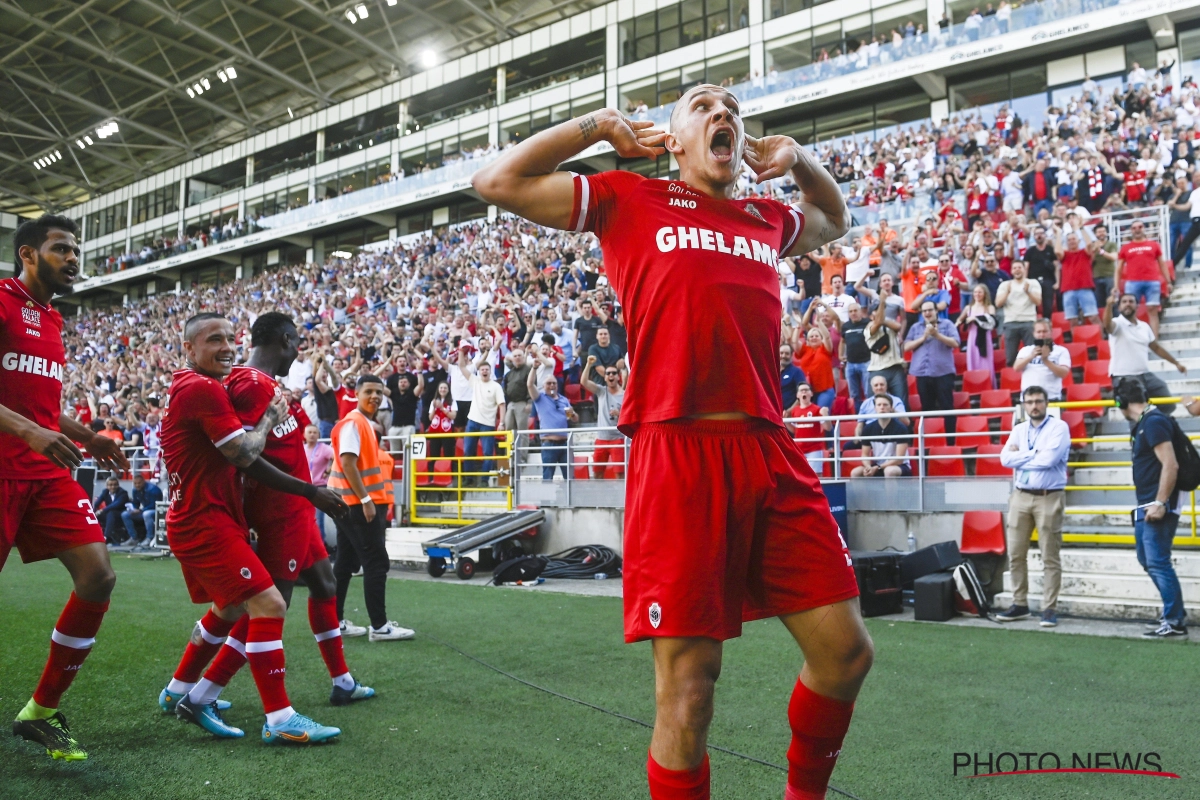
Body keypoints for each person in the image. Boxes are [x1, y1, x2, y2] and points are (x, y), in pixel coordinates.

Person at [471, 85, 871, 800]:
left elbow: (835, 218)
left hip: (769, 451)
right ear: (674, 142)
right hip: (676, 455)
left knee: (845, 655)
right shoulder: (629, 199)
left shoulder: (764, 217)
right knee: (689, 694)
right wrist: (599, 128)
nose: (722, 112)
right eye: (702, 105)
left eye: (732, 107)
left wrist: (802, 159)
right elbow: (496, 182)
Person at [175, 313, 373, 735]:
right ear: (285, 340)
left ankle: (342, 682)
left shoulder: (262, 383)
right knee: (265, 607)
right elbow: (245, 458)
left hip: (295, 507)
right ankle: (202, 695)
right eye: (296, 343)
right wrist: (306, 491)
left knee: (324, 584)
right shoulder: (246, 384)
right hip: (279, 511)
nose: (298, 351)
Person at [3, 215, 129, 761]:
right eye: (61, 249)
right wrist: (32, 432)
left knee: (98, 576)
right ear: (28, 254)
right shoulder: (2, 300)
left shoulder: (52, 320)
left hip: (43, 469)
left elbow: (44, 409)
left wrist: (89, 437)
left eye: (76, 249)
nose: (74, 258)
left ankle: (42, 710)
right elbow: (31, 420)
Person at [328, 375, 414, 642]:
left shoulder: (360, 422)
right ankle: (379, 626)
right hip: (358, 504)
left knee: (344, 563)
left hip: (347, 503)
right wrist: (366, 501)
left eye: (379, 392)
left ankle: (335, 622)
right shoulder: (355, 423)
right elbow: (348, 463)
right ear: (357, 393)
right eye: (369, 391)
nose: (375, 396)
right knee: (375, 562)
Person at [1117, 381, 1188, 638]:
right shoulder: (1146, 423)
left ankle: (1175, 619)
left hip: (1160, 501)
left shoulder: (1154, 421)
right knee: (1147, 559)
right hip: (1147, 501)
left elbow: (1171, 465)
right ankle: (1173, 613)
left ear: (1119, 403)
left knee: (1157, 561)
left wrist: (1160, 503)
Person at [995, 386, 1071, 627]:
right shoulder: (1019, 429)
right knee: (1016, 554)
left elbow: (1049, 460)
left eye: (1038, 401)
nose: (1034, 406)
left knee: (1050, 555)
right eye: (1029, 402)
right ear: (1023, 405)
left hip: (1050, 496)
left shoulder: (1059, 427)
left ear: (1047, 403)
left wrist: (1023, 455)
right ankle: (1020, 604)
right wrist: (1035, 452)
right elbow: (1005, 459)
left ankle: (1049, 608)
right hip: (1020, 496)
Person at [1103, 290, 1187, 415]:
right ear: (1119, 306)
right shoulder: (1118, 323)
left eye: (1131, 301)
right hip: (1124, 377)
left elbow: (1156, 348)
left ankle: (1156, 424)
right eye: (1124, 302)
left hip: (1145, 375)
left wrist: (1176, 363)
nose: (1127, 304)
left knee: (1168, 404)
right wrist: (1109, 305)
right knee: (1135, 415)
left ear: (1137, 306)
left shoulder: (1144, 326)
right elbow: (1107, 325)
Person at [905, 299, 961, 439]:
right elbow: (906, 347)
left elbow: (956, 343)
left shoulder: (947, 324)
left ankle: (950, 441)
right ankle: (930, 441)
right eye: (924, 311)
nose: (927, 313)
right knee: (927, 408)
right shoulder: (915, 327)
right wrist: (923, 338)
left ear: (936, 311)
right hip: (922, 373)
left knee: (947, 408)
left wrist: (937, 335)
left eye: (930, 310)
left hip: (943, 372)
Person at [458, 342, 506, 484]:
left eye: (486, 369)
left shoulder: (496, 386)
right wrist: (461, 351)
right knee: (467, 452)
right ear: (479, 371)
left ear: (490, 371)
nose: (484, 371)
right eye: (482, 369)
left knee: (487, 454)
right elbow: (461, 366)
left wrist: (501, 423)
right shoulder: (475, 381)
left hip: (488, 424)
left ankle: (484, 479)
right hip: (472, 421)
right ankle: (469, 479)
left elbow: (502, 405)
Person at [1115, 220, 1172, 337]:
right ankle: (1133, 337)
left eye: (1140, 227)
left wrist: (1168, 281)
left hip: (1152, 281)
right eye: (1134, 227)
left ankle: (1154, 340)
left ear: (1144, 229)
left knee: (1152, 310)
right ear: (1131, 230)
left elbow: (1162, 264)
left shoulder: (1154, 245)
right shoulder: (1126, 247)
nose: (1137, 229)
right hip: (1132, 282)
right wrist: (1116, 285)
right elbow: (1119, 268)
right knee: (1130, 310)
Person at [528, 365, 578, 481]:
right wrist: (534, 368)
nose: (552, 385)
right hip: (549, 443)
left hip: (565, 443)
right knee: (548, 476)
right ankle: (546, 500)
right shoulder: (540, 398)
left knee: (570, 477)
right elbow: (530, 385)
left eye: (554, 383)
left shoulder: (564, 400)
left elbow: (575, 419)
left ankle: (572, 499)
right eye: (549, 383)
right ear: (543, 386)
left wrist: (573, 414)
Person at [581, 355, 625, 478]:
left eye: (613, 373)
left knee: (620, 474)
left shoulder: (625, 395)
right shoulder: (601, 391)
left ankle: (620, 497)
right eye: (608, 373)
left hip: (618, 439)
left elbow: (630, 416)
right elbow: (584, 382)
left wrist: (620, 413)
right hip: (601, 438)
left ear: (618, 376)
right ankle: (599, 497)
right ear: (604, 377)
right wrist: (589, 365)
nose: (611, 375)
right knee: (597, 473)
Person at [850, 395, 912, 477]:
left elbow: (899, 459)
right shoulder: (868, 428)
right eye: (879, 405)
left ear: (891, 408)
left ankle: (891, 490)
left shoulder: (900, 428)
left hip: (899, 466)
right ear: (875, 408)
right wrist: (868, 467)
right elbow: (865, 454)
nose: (882, 407)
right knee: (855, 472)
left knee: (889, 471)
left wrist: (879, 467)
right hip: (878, 465)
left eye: (885, 405)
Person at [994, 260, 1041, 367]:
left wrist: (1028, 292)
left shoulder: (1033, 283)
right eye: (1014, 268)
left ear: (1024, 269)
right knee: (1010, 358)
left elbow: (1038, 302)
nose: (1017, 270)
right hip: (1011, 323)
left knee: (1033, 356)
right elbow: (998, 303)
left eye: (1019, 267)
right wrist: (1007, 292)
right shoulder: (1005, 285)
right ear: (1011, 271)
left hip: (1029, 322)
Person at [1012, 319, 1072, 401]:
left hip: (1051, 398)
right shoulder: (1025, 350)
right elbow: (1016, 368)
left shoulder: (1061, 351)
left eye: (1045, 331)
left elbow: (1064, 373)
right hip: (1028, 398)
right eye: (1039, 332)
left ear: (1051, 332)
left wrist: (1046, 360)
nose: (1042, 335)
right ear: (1034, 333)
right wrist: (1031, 356)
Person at [957, 284, 996, 382]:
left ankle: (988, 383)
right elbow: (960, 320)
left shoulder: (989, 307)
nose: (977, 294)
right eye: (975, 292)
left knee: (986, 362)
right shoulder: (968, 308)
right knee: (973, 360)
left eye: (980, 292)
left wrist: (975, 318)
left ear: (984, 294)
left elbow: (992, 321)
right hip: (972, 337)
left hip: (985, 337)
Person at [304, 423, 336, 543]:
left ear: (318, 435)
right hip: (305, 488)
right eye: (309, 432)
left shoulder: (323, 448)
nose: (312, 435)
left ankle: (322, 551)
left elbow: (337, 457)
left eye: (315, 433)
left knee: (318, 521)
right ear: (304, 435)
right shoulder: (302, 448)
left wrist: (329, 470)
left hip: (319, 488)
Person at [839, 301, 871, 409]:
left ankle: (870, 414)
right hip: (850, 364)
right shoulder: (846, 326)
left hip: (866, 362)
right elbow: (842, 341)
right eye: (851, 311)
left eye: (855, 310)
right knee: (854, 394)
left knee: (868, 392)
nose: (853, 313)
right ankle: (858, 416)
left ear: (861, 312)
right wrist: (840, 355)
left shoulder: (868, 323)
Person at [122, 473, 163, 549]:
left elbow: (155, 505)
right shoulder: (135, 490)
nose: (137, 485)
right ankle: (134, 538)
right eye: (135, 483)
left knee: (146, 514)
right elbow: (136, 503)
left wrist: (140, 510)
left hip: (156, 511)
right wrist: (132, 508)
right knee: (125, 514)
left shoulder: (153, 490)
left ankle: (149, 537)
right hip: (144, 510)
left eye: (139, 483)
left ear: (143, 481)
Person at [94, 476, 131, 545]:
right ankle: (94, 536)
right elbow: (97, 503)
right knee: (94, 516)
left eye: (115, 485)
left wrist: (102, 510)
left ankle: (106, 537)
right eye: (110, 485)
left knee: (111, 513)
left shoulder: (123, 493)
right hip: (108, 514)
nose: (113, 487)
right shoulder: (105, 492)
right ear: (107, 486)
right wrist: (92, 512)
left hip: (120, 514)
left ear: (118, 485)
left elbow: (116, 505)